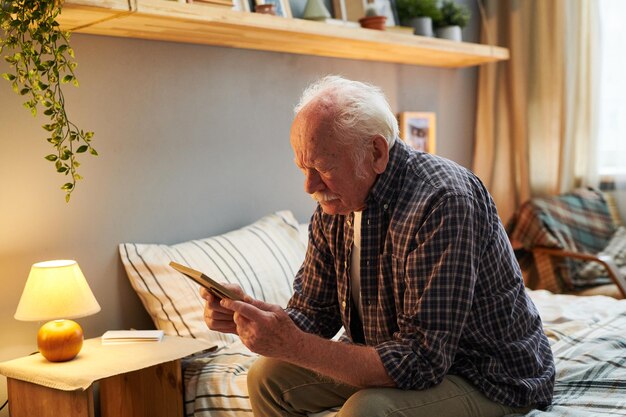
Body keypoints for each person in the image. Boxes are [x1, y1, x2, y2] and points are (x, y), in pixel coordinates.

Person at [201, 75, 555, 417]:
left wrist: (293, 344)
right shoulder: (335, 204)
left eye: (323, 167)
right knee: (267, 379)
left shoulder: (443, 201)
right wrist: (252, 314)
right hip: (400, 358)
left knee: (367, 410)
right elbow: (314, 313)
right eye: (302, 167)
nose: (309, 185)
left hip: (487, 373)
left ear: (376, 151)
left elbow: (422, 362)